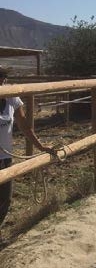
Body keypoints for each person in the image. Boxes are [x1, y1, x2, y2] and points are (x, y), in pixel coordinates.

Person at [0, 67, 55, 226]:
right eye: (0, 76)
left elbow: (24, 125)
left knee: (5, 198)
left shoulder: (11, 98)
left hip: (5, 157)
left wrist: (40, 146)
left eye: (4, 76)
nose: (2, 80)